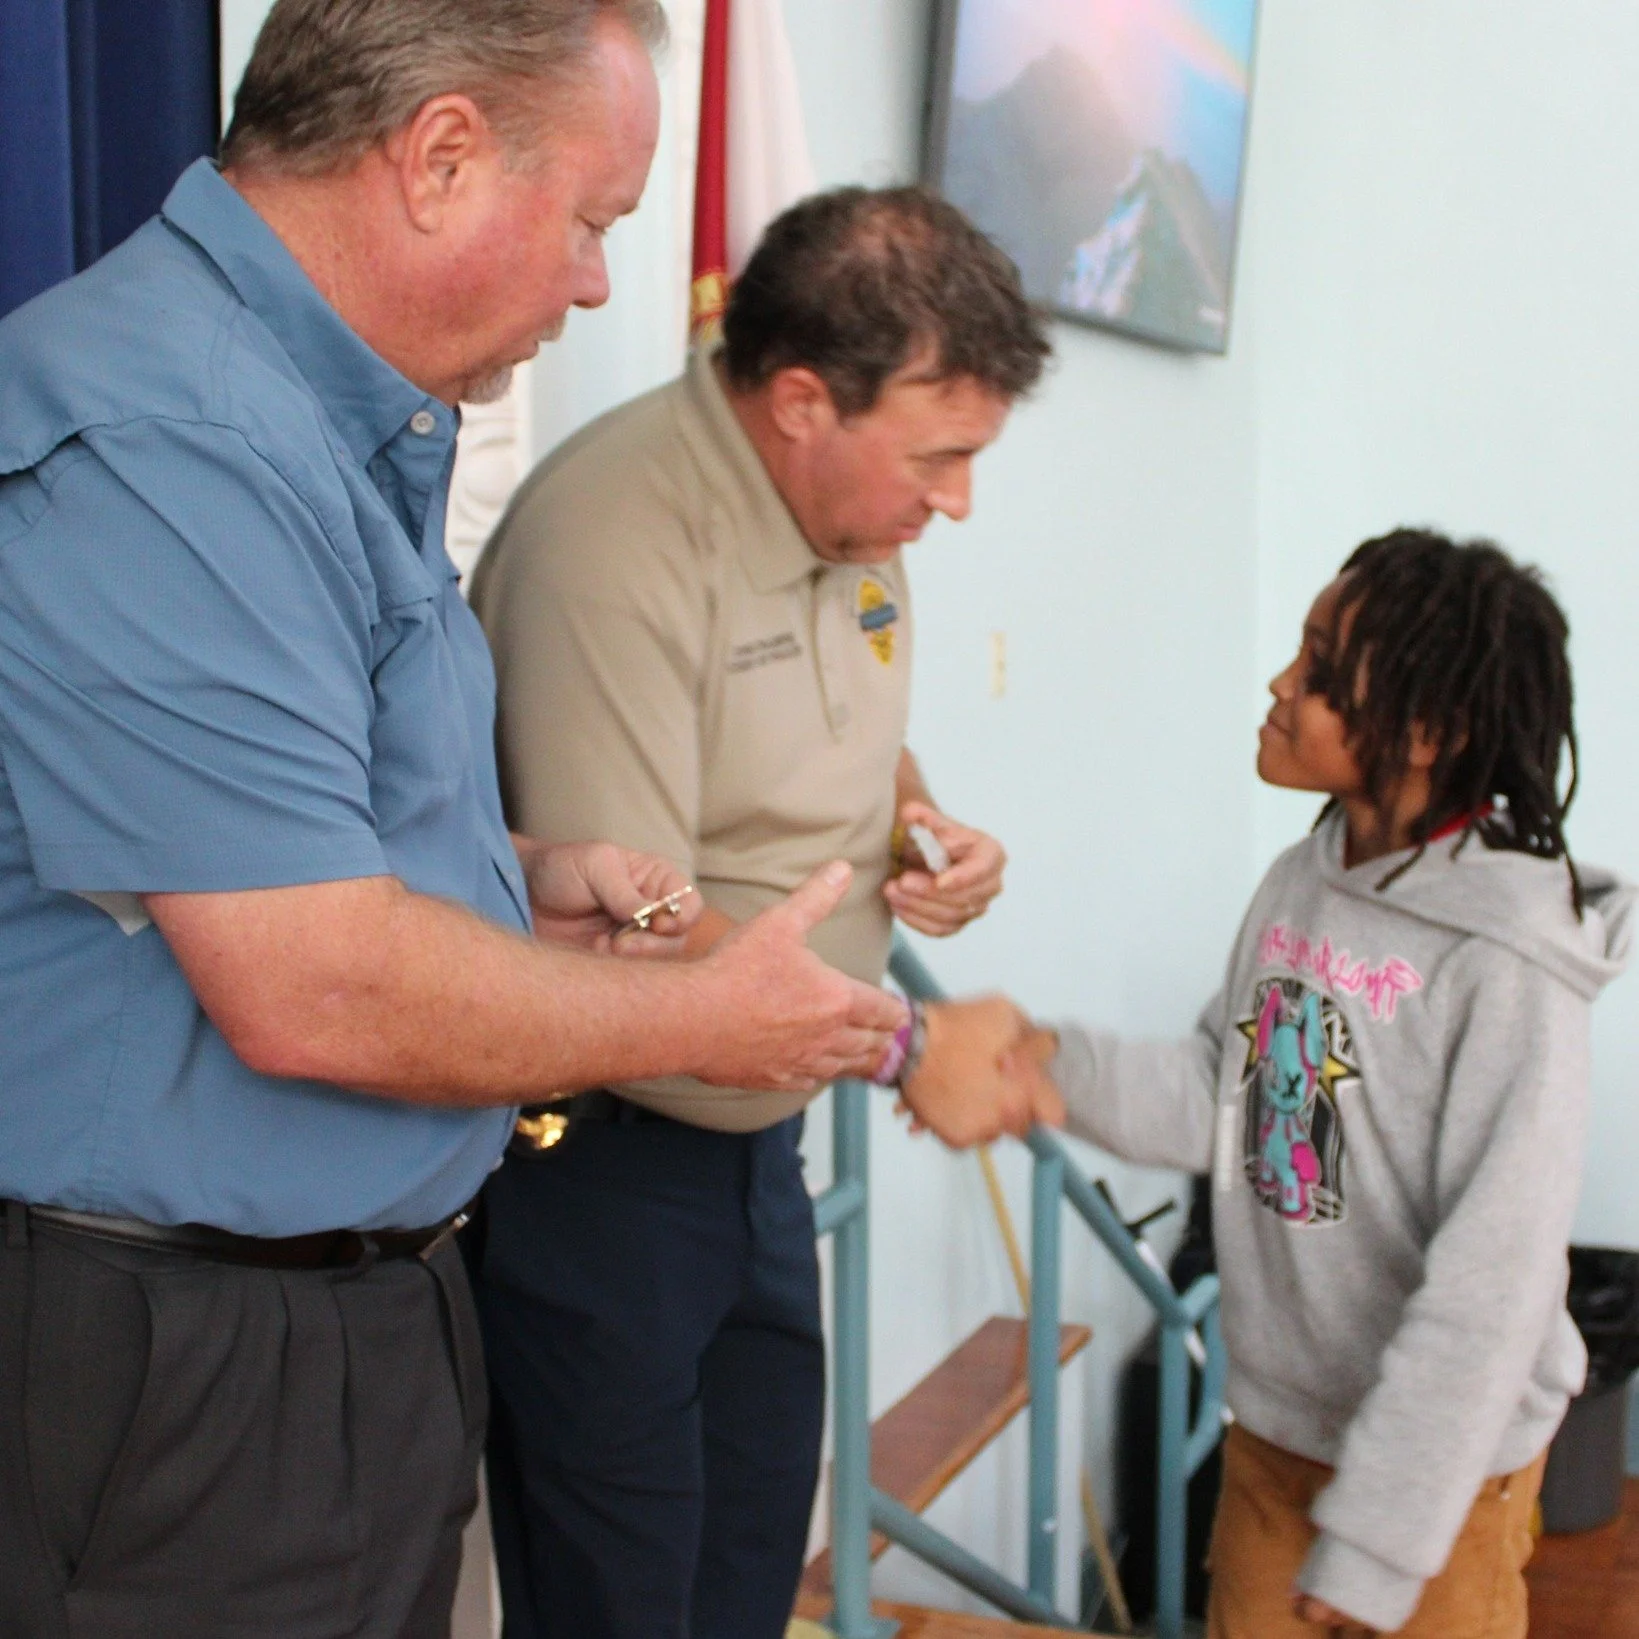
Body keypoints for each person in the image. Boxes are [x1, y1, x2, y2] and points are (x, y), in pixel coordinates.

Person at [0, 5, 925, 1636]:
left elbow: (258, 835)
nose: (591, 282)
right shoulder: (178, 438)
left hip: (343, 1318)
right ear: (433, 156)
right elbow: (308, 977)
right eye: (586, 222)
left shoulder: (319, 423)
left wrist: (502, 883)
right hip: (177, 1353)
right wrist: (692, 1008)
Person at [466, 186, 1057, 1638]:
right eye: (942, 456)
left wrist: (921, 825)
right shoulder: (615, 545)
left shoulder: (849, 515)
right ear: (799, 399)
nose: (956, 500)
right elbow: (635, 933)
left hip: (755, 1163)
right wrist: (906, 1044)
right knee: (619, 1605)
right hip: (602, 1173)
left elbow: (842, 736)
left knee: (740, 1587)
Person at [980, 529, 1631, 1637]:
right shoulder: (1305, 877)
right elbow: (1223, 1090)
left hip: (1440, 1489)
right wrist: (1048, 1071)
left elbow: (1495, 1280)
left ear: (1429, 733)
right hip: (1276, 1438)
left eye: (1323, 673)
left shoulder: (1509, 968)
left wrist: (1378, 1539)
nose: (1282, 685)